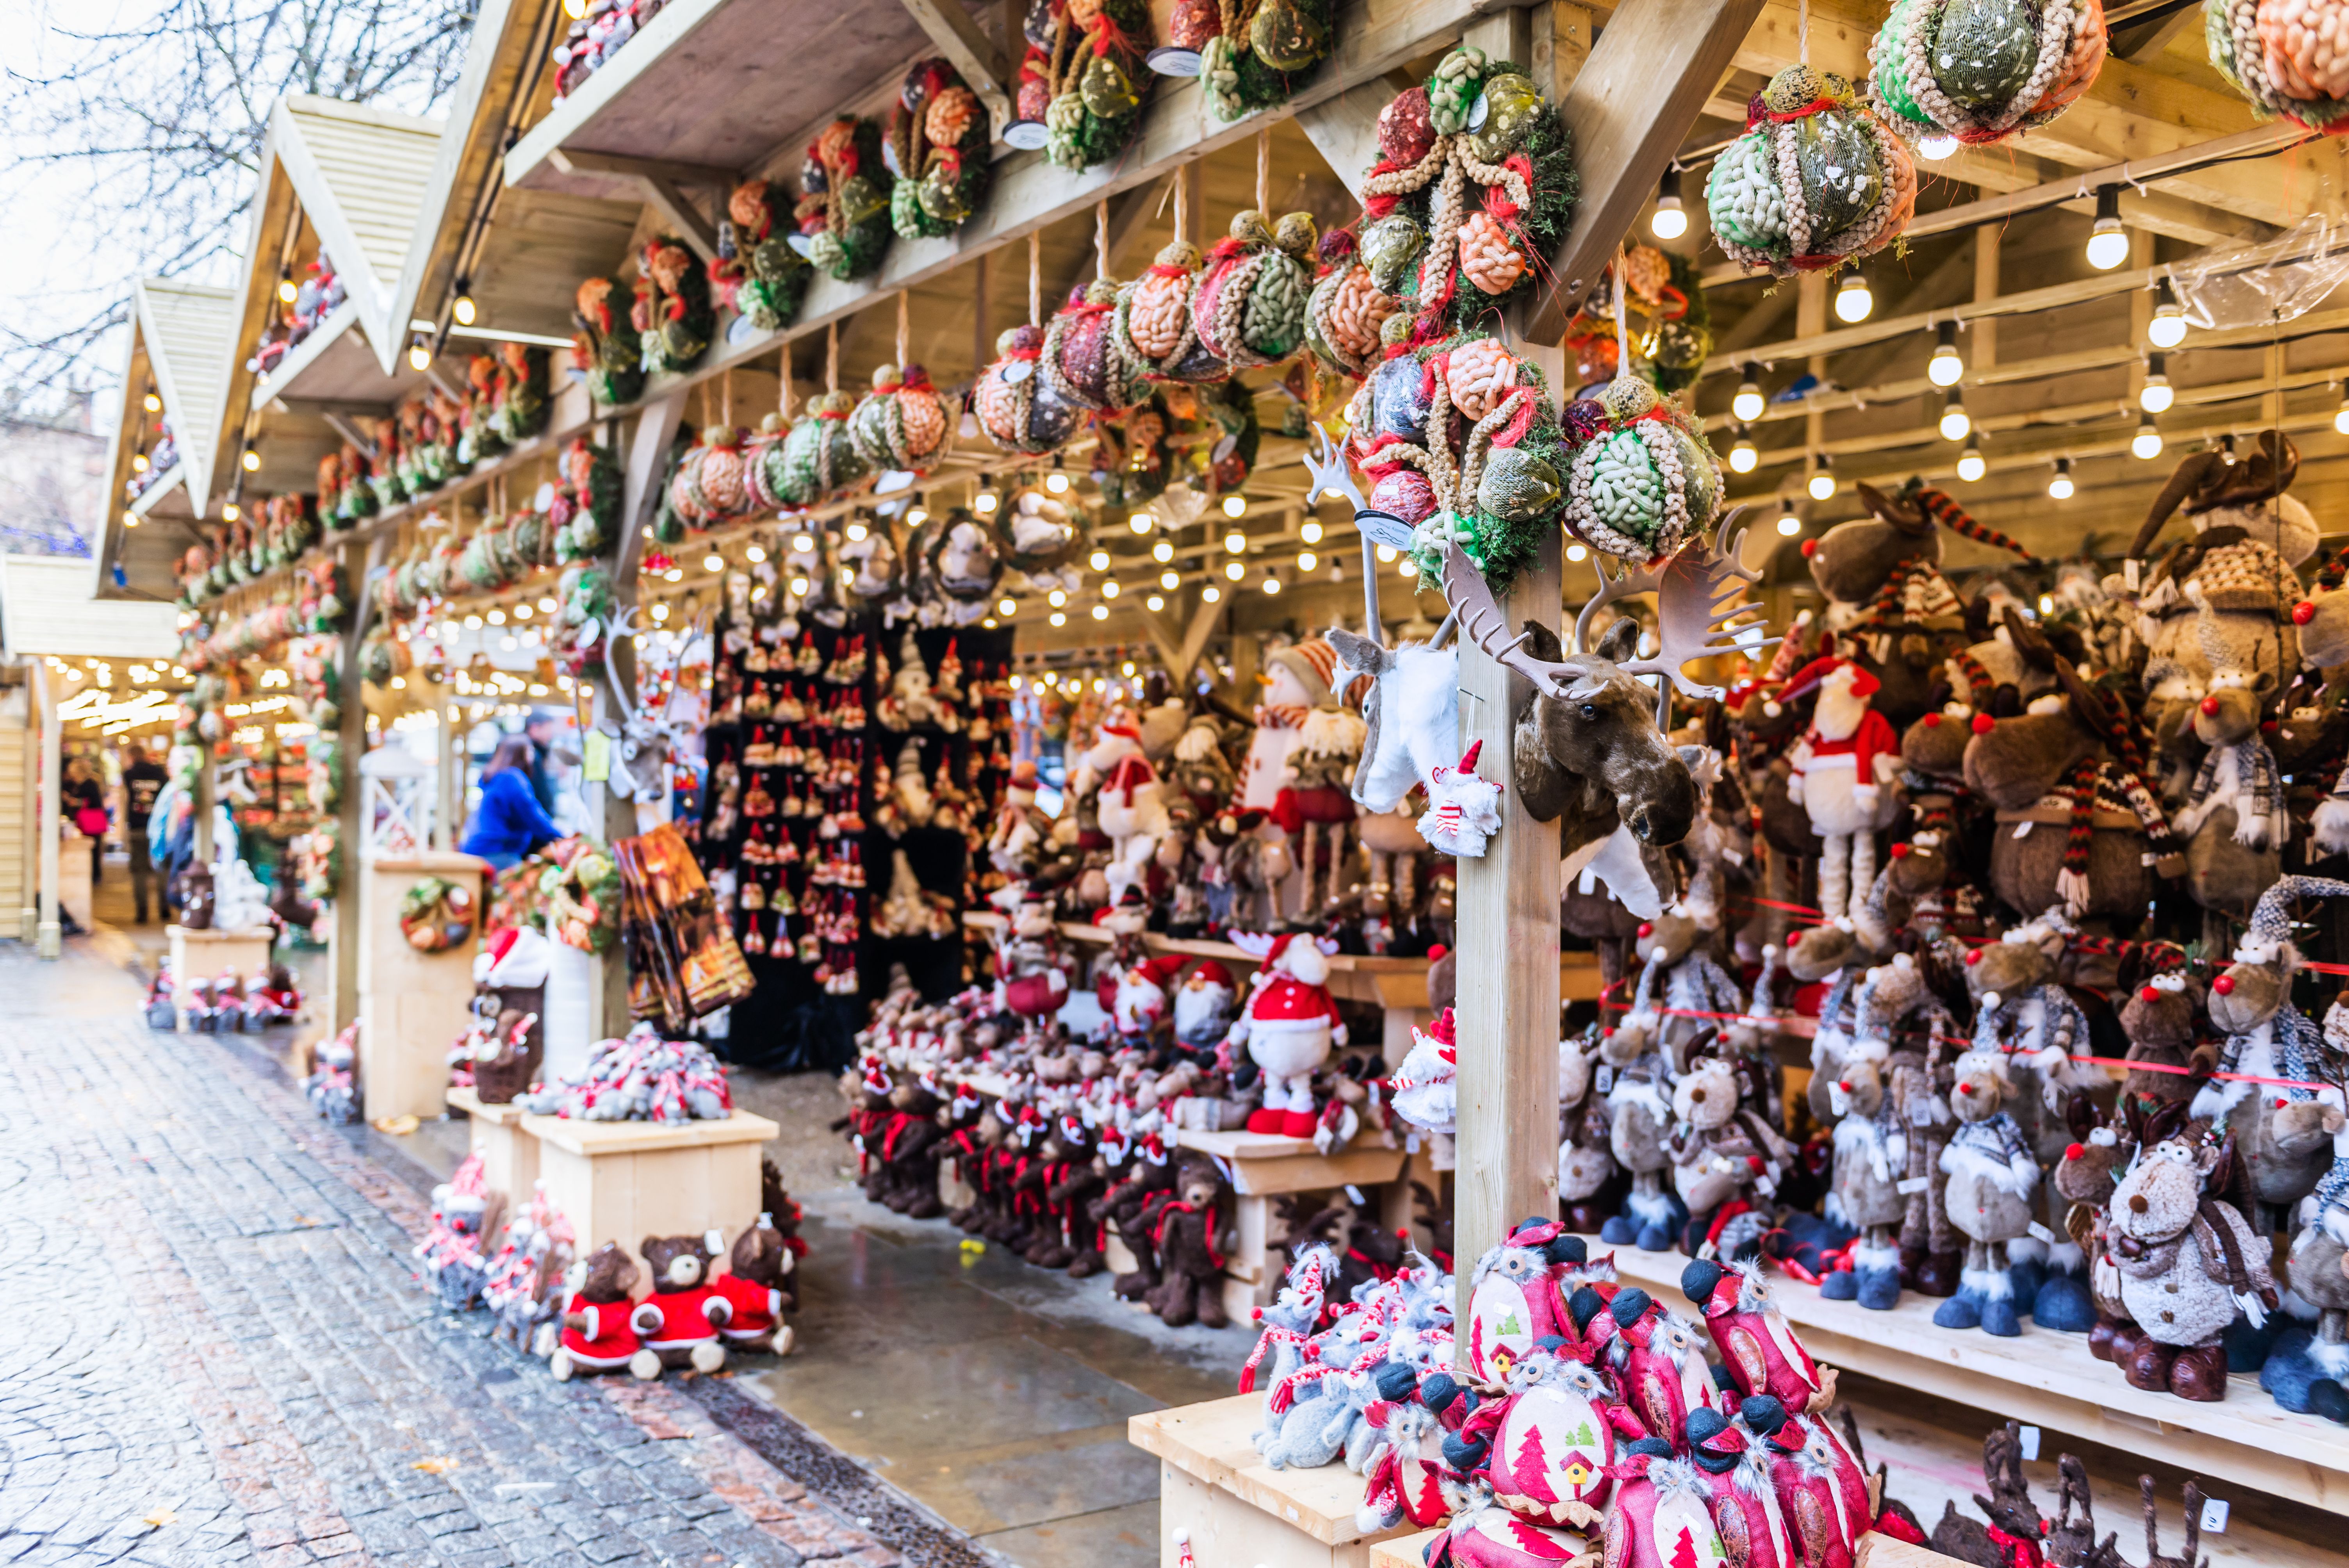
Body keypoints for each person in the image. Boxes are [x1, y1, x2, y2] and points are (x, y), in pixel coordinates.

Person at [463, 734, 561, 870]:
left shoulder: (497, 777)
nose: (533, 755)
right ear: (521, 753)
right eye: (530, 750)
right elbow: (532, 814)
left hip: (481, 849)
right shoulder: (512, 779)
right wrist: (560, 837)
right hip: (497, 852)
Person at [122, 743, 168, 924]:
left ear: (132, 757)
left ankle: (142, 913)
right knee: (161, 869)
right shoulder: (161, 775)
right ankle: (164, 909)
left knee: (139, 872)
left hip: (137, 828)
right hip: (159, 830)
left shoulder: (129, 775)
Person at [62, 755, 105, 885]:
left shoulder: (89, 784)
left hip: (90, 823)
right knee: (92, 850)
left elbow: (91, 802)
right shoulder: (83, 784)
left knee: (93, 850)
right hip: (88, 822)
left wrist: (71, 801)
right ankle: (94, 876)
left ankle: (95, 876)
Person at [524, 713, 560, 813]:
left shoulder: (538, 752)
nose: (551, 734)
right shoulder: (531, 755)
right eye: (548, 729)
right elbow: (538, 791)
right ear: (535, 728)